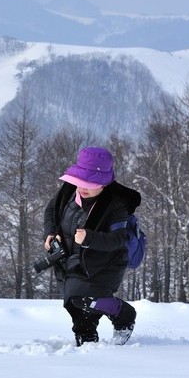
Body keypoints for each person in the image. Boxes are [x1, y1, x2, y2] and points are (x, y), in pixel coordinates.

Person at [42, 146, 141, 346]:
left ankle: (123, 313)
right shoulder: (69, 190)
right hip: (71, 260)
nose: (83, 187)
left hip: (104, 263)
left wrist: (90, 238)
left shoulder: (116, 204)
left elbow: (118, 239)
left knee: (82, 298)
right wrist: (51, 233)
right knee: (75, 305)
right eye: (80, 181)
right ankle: (87, 345)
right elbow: (50, 211)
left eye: (90, 182)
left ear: (104, 183)